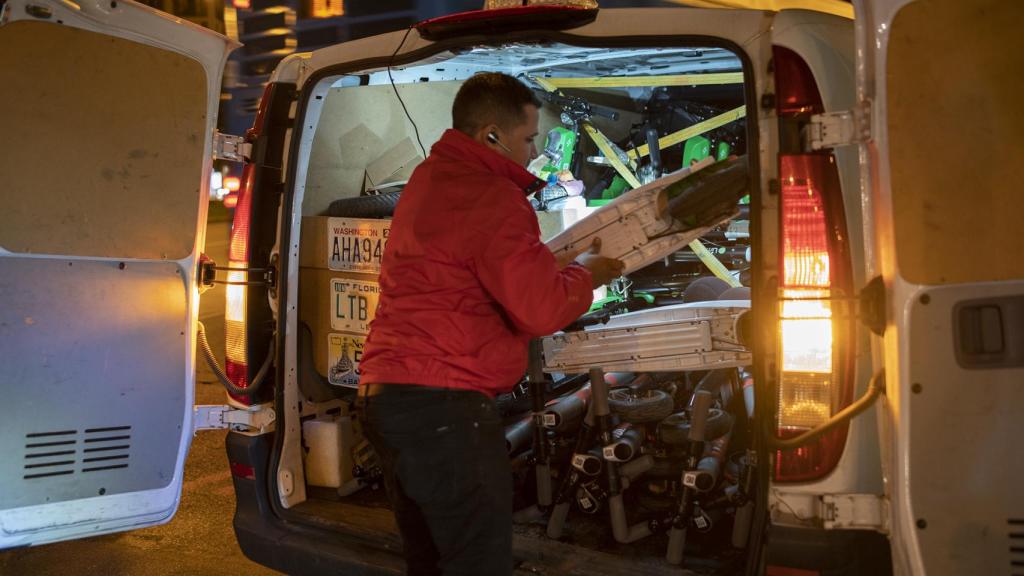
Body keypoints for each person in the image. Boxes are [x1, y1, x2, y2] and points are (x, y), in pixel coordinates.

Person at [357, 72, 623, 576]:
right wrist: (585, 275)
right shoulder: (492, 195)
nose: (532, 154)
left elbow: (478, 272)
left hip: (386, 400)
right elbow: (540, 310)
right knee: (477, 563)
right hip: (445, 411)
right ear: (491, 136)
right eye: (528, 139)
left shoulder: (430, 178)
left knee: (430, 562)